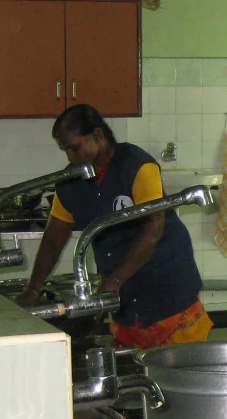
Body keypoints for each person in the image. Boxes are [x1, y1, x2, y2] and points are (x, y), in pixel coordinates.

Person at [18, 104, 212, 349]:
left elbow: (153, 229)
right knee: (135, 373)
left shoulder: (137, 165)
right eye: (65, 150)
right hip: (123, 296)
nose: (70, 157)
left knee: (176, 373)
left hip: (165, 283)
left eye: (74, 147)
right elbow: (54, 237)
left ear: (98, 136)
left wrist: (114, 282)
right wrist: (33, 289)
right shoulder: (71, 182)